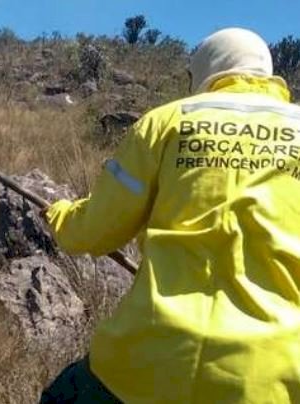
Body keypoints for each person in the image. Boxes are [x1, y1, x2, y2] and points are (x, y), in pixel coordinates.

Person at [40, 28, 300, 403]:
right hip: (273, 377)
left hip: (150, 361)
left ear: (202, 73)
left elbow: (95, 230)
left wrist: (60, 214)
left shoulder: (166, 121)